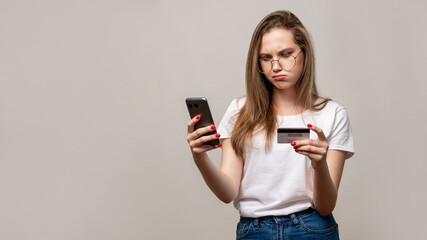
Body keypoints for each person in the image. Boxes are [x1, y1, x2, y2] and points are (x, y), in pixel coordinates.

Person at [186, 10, 354, 240]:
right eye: (266, 57)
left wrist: (319, 165)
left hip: (311, 228)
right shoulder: (239, 112)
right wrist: (200, 159)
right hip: (255, 231)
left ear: (304, 53)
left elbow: (325, 206)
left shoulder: (332, 114)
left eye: (286, 54)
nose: (275, 66)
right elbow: (227, 192)